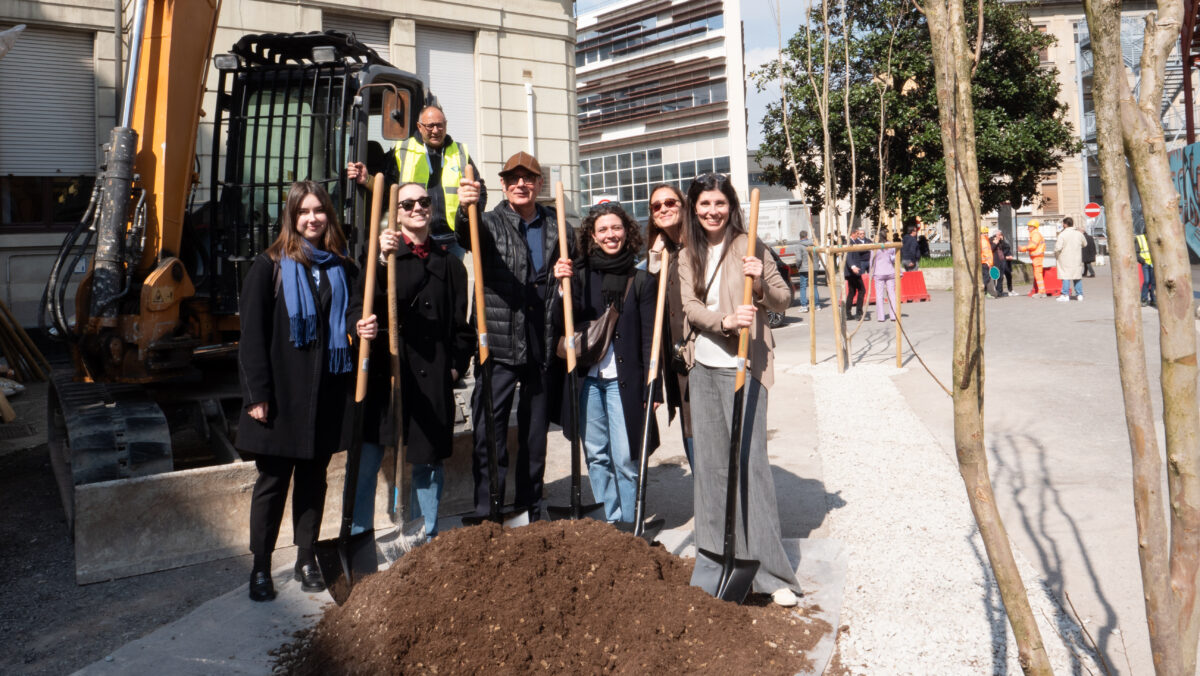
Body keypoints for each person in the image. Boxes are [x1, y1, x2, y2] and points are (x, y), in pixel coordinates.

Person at [236, 181, 369, 602]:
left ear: (328, 214)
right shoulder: (270, 265)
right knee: (273, 482)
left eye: (319, 210)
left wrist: (358, 328)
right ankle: (261, 566)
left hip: (325, 395)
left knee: (313, 481)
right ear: (292, 218)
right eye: (303, 212)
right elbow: (251, 336)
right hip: (281, 396)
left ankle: (306, 557)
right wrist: (257, 394)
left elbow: (349, 316)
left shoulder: (343, 267)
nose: (312, 218)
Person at [676, 172, 802, 608]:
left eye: (720, 203)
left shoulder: (750, 245)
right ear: (694, 208)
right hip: (704, 370)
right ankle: (714, 563)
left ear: (731, 205)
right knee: (710, 470)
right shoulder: (687, 253)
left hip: (745, 368)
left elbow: (785, 299)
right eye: (704, 204)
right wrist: (725, 322)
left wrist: (762, 284)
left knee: (751, 467)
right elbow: (690, 308)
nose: (712, 211)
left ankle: (769, 572)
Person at [455, 151, 575, 521]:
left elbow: (573, 274)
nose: (521, 184)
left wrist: (565, 273)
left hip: (541, 340)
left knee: (535, 434)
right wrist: (465, 209)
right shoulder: (487, 223)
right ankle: (488, 508)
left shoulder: (559, 226)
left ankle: (529, 506)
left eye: (529, 178)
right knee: (489, 432)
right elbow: (465, 234)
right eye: (512, 179)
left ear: (539, 184)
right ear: (503, 186)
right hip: (500, 343)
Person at [351, 183, 475, 540]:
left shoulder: (451, 265)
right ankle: (359, 535)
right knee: (369, 459)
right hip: (387, 373)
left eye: (424, 202)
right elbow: (359, 307)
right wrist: (377, 258)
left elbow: (461, 330)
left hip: (431, 375)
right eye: (408, 203)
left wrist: (453, 367)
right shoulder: (380, 258)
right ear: (397, 212)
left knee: (428, 461)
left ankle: (424, 537)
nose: (417, 208)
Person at [552, 203, 659, 523]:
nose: (610, 235)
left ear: (627, 232)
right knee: (596, 456)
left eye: (616, 228)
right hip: (588, 380)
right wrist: (561, 289)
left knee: (625, 458)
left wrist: (653, 391)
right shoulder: (579, 275)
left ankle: (630, 522)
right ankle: (609, 520)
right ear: (593, 236)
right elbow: (561, 325)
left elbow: (649, 341)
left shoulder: (641, 280)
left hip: (623, 382)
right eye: (603, 230)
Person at [347, 104, 487, 253]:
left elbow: (480, 192)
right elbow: (388, 190)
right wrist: (367, 179)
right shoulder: (402, 151)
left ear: (445, 125)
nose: (435, 131)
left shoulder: (460, 152)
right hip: (413, 238)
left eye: (440, 126)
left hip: (452, 241)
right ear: (419, 127)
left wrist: (468, 223)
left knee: (452, 275)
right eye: (430, 126)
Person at [646, 183, 695, 467]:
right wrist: (654, 256)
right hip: (677, 362)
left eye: (670, 202)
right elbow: (651, 299)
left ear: (684, 205)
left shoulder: (699, 246)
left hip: (703, 355)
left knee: (707, 432)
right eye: (656, 206)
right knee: (689, 429)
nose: (664, 208)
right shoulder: (663, 253)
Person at [1055, 216, 1086, 302]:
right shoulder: (1079, 234)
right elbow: (1085, 244)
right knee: (1077, 276)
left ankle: (1065, 294)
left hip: (1065, 258)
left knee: (1065, 276)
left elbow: (1058, 248)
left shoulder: (1062, 234)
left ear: (1064, 224)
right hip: (1076, 258)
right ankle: (1079, 294)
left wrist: (1056, 254)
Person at [870, 233, 898, 321]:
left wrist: (871, 274)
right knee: (892, 294)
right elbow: (894, 258)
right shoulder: (891, 245)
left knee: (879, 295)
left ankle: (881, 316)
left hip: (878, 272)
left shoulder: (874, 247)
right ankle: (893, 315)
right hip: (890, 271)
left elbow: (872, 261)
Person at [844, 227, 869, 320]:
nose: (859, 235)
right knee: (862, 290)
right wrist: (853, 266)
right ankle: (859, 313)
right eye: (857, 234)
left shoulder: (854, 242)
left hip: (852, 271)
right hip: (853, 271)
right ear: (853, 234)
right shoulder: (849, 242)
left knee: (852, 292)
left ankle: (848, 313)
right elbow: (848, 255)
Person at [1020, 219, 1049, 298]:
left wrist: (1023, 248)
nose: (1028, 228)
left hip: (1037, 257)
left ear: (1033, 227)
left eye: (1029, 227)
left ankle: (1041, 292)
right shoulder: (1035, 234)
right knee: (1038, 274)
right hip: (1037, 256)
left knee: (1038, 274)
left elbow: (1033, 246)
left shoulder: (1035, 234)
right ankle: (1041, 291)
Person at [795, 230, 822, 311]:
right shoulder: (813, 244)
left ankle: (804, 306)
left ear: (800, 237)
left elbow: (799, 259)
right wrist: (817, 265)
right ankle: (817, 305)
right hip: (814, 268)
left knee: (803, 287)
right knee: (814, 286)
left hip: (804, 269)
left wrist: (798, 266)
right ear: (807, 236)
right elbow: (817, 255)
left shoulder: (799, 246)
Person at [991, 230, 1016, 296]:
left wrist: (1002, 240)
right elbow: (991, 249)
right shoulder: (992, 241)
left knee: (1003, 276)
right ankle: (995, 291)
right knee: (996, 276)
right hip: (996, 261)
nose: (1000, 236)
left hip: (1002, 261)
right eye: (999, 235)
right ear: (995, 235)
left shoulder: (1002, 242)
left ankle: (1001, 291)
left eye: (1001, 235)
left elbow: (1007, 248)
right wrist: (995, 243)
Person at [1137, 231, 1156, 307]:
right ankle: (1144, 298)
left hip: (1153, 263)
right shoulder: (1140, 238)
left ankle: (1153, 299)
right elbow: (1136, 252)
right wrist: (1142, 261)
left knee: (1153, 282)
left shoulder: (1154, 238)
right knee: (1147, 281)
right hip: (1145, 263)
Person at [979, 225, 996, 297]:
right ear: (981, 233)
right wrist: (989, 263)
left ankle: (985, 291)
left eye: (987, 233)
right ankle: (982, 288)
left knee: (985, 277)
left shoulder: (985, 240)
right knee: (986, 277)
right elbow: (986, 252)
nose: (986, 234)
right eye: (984, 233)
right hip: (985, 262)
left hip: (985, 262)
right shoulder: (984, 241)